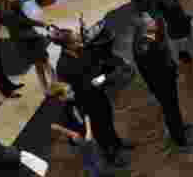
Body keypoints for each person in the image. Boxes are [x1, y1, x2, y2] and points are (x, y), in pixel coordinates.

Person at [53, 28, 133, 167]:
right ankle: (111, 155)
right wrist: (93, 83)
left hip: (99, 93)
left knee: (108, 118)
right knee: (99, 129)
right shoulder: (63, 65)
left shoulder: (83, 51)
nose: (79, 40)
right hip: (86, 101)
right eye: (76, 39)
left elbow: (95, 66)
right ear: (68, 45)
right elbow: (71, 88)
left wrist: (104, 77)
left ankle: (117, 143)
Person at [133, 14, 193, 153]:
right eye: (150, 22)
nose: (154, 22)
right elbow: (156, 70)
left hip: (166, 81)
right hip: (162, 85)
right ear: (144, 28)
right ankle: (180, 141)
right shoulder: (146, 47)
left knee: (173, 106)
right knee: (170, 110)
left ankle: (180, 127)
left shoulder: (150, 39)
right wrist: (170, 71)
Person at [48, 82, 117, 177]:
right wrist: (72, 134)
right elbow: (55, 126)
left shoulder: (74, 100)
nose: (73, 93)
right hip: (79, 140)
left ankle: (104, 176)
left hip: (87, 135)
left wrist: (89, 131)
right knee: (91, 163)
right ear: (61, 97)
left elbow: (85, 114)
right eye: (69, 92)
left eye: (71, 90)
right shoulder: (61, 110)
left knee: (97, 155)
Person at [0, 0, 54, 93]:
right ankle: (51, 85)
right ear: (5, 0)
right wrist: (43, 24)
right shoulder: (8, 13)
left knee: (42, 63)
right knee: (43, 63)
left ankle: (47, 87)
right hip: (26, 42)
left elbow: (25, 21)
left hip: (29, 38)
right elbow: (25, 22)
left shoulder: (15, 8)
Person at [151, 0, 193, 83]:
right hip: (181, 33)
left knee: (183, 57)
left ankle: (188, 77)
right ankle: (191, 80)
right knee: (187, 58)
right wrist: (190, 17)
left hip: (174, 33)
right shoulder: (170, 3)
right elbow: (179, 18)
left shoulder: (161, 0)